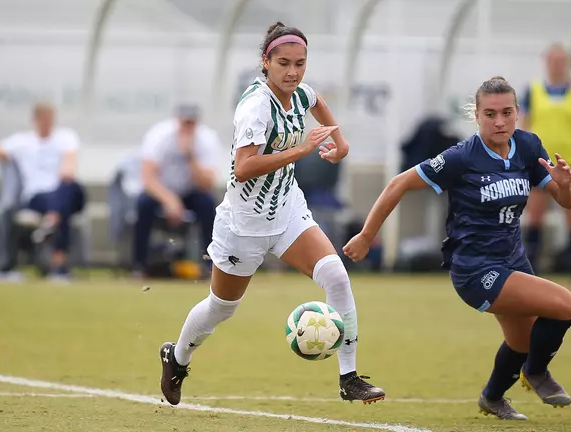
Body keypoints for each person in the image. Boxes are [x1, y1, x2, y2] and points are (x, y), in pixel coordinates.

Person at [158, 22, 385, 406]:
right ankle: (176, 358)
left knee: (337, 277)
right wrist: (301, 150)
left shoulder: (300, 93)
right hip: (243, 224)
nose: (293, 72)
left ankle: (349, 378)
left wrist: (341, 144)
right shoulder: (255, 106)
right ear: (266, 62)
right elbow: (244, 167)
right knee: (221, 308)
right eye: (283, 63)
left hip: (287, 210)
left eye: (300, 63)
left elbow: (318, 103)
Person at [344, 77, 571, 420]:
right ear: (477, 116)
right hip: (475, 269)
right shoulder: (461, 157)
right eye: (490, 113)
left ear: (517, 113)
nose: (499, 121)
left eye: (507, 112)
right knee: (564, 304)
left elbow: (568, 203)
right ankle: (537, 372)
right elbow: (398, 184)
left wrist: (565, 186)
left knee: (522, 340)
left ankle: (493, 398)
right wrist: (367, 236)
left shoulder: (528, 146)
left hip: (513, 260)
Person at [0, 102, 85, 281]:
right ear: (36, 120)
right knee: (62, 207)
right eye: (44, 118)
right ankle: (59, 264)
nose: (48, 122)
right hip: (38, 197)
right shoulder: (21, 142)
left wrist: (66, 173)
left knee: (67, 189)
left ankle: (52, 219)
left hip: (66, 191)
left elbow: (69, 167)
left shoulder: (66, 137)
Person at [520, 44, 571, 284]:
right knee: (535, 215)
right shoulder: (533, 90)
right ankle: (531, 269)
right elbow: (525, 125)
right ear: (546, 61)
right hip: (540, 161)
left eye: (562, 60)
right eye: (554, 60)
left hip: (570, 163)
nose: (558, 64)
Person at [133, 104, 221, 278]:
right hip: (162, 190)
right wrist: (170, 201)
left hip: (191, 190)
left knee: (208, 204)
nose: (187, 128)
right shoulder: (159, 135)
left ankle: (210, 265)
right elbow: (148, 179)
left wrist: (189, 156)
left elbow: (207, 183)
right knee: (143, 205)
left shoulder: (207, 139)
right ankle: (139, 264)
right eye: (184, 122)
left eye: (191, 123)